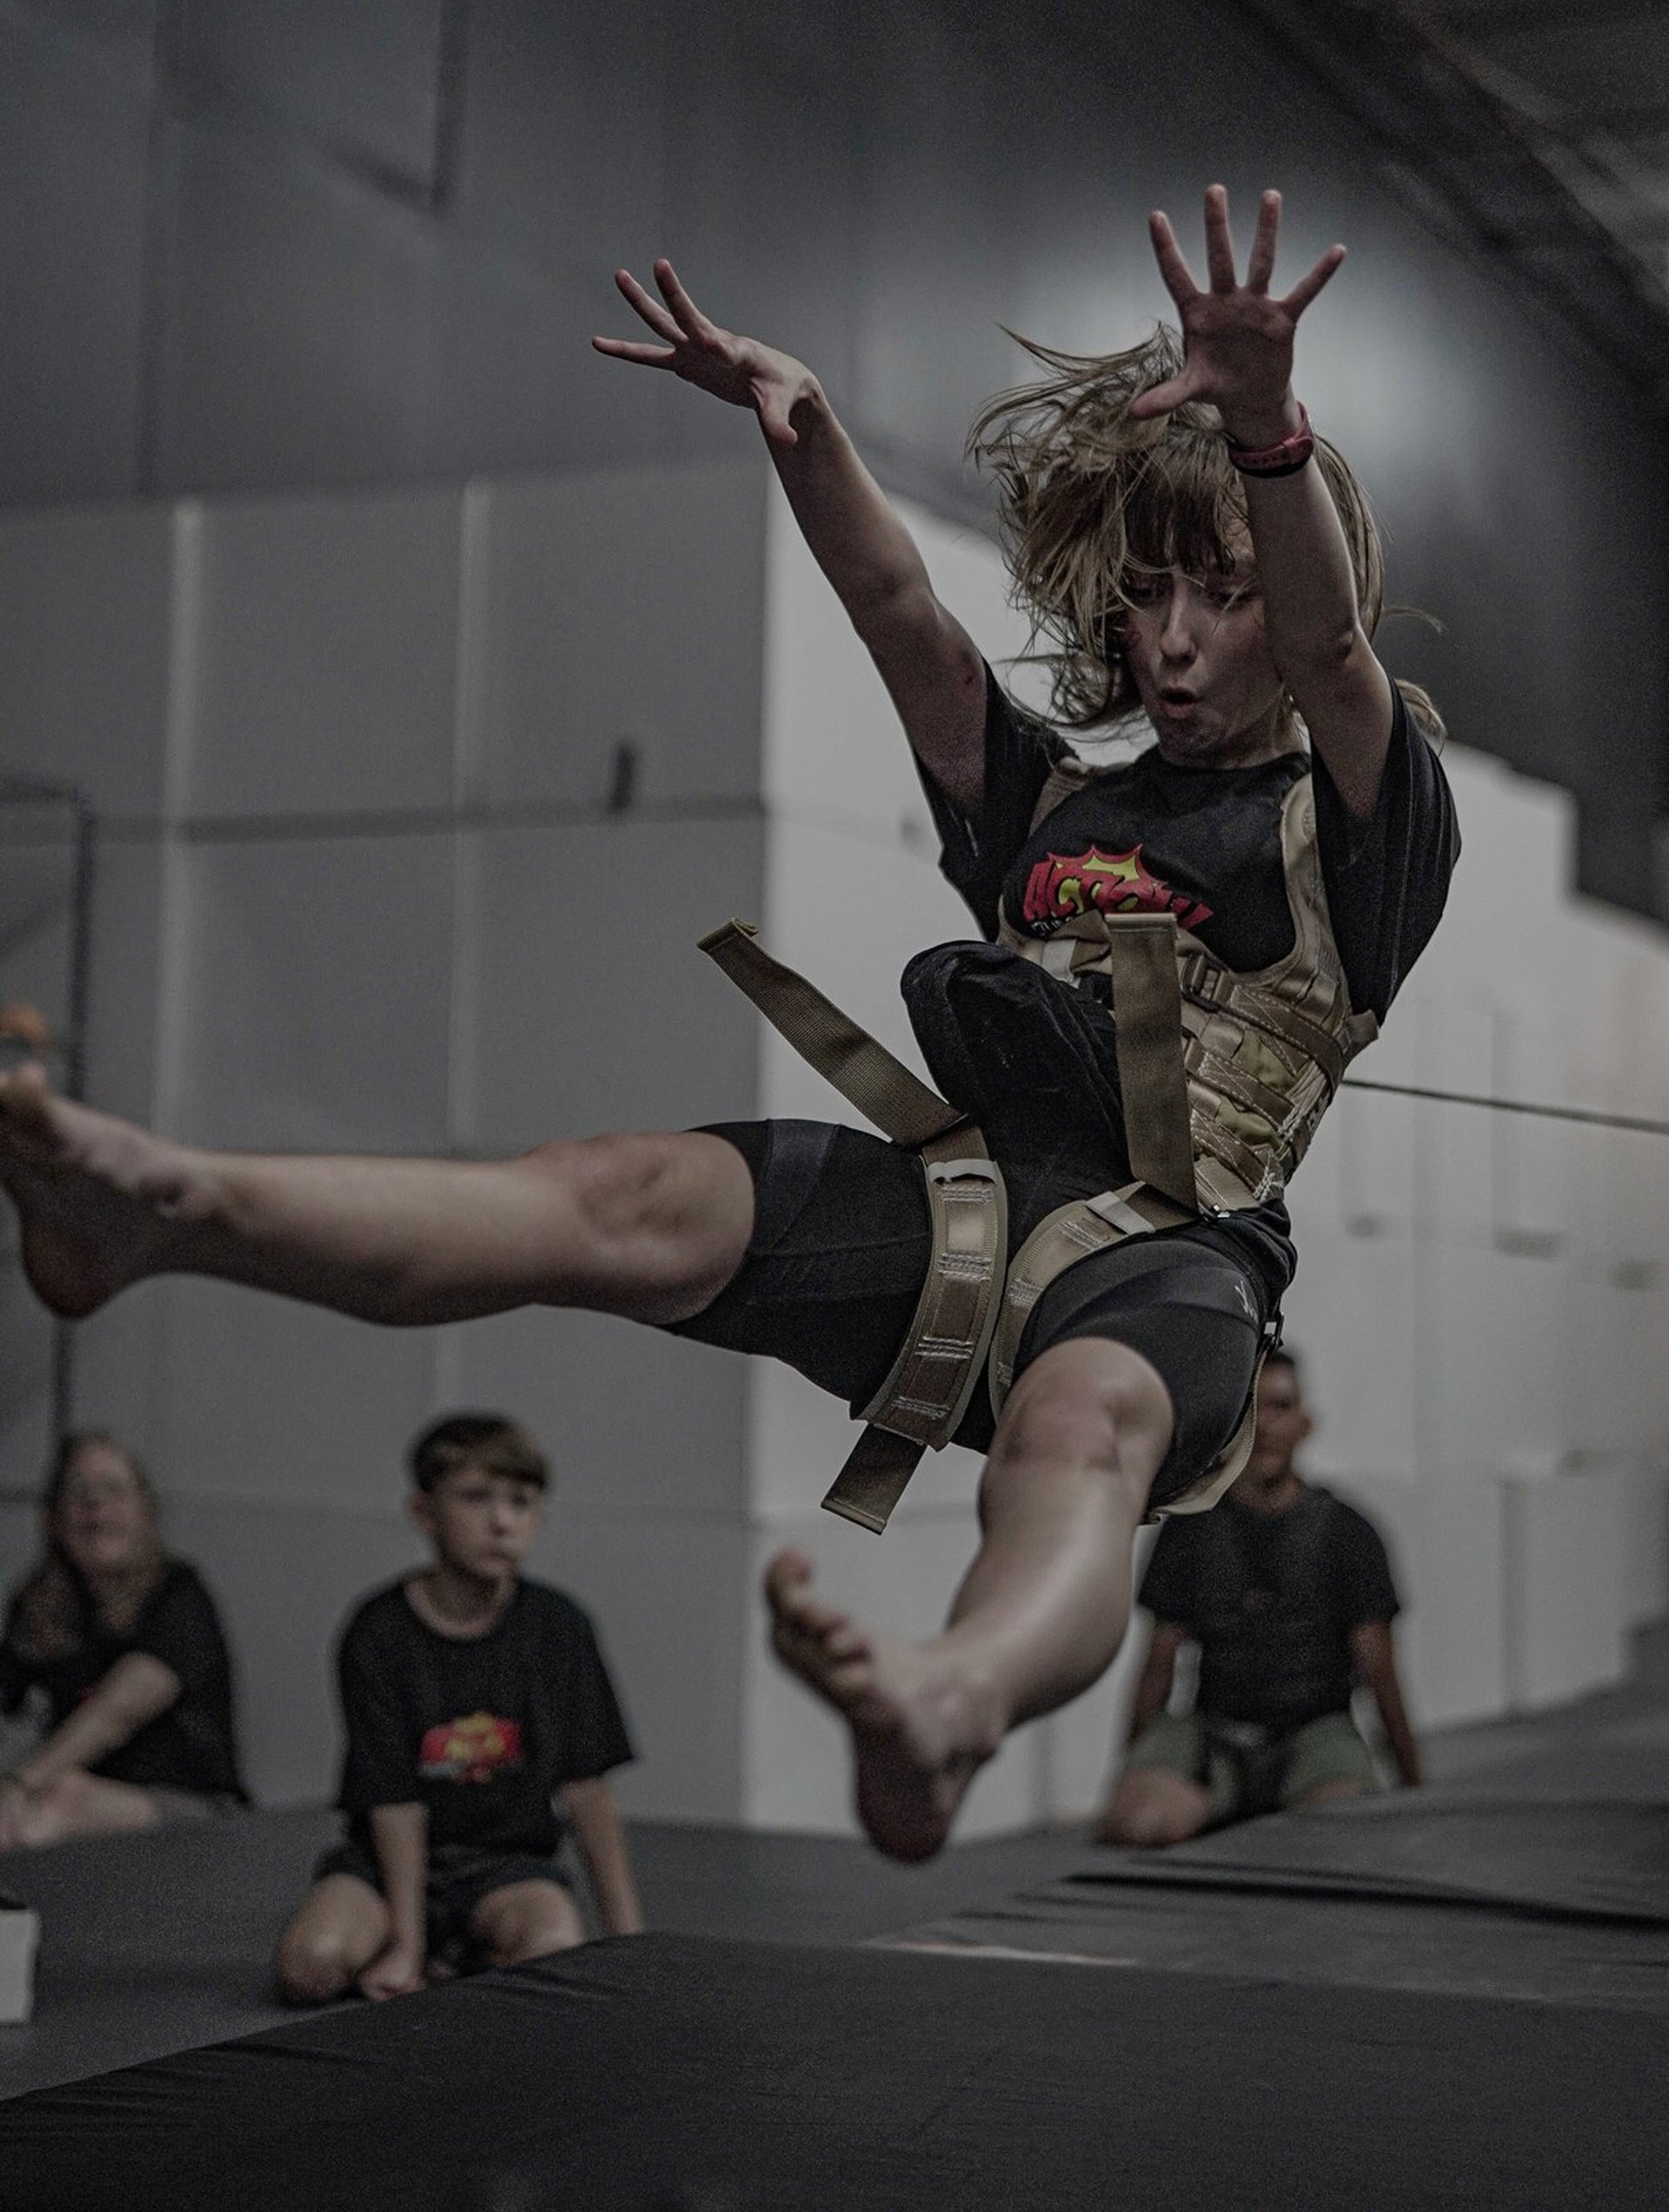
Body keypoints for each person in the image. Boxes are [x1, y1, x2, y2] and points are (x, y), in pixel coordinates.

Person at [0, 187, 1457, 1862]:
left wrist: (1267, 426)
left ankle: (953, 1696)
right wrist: (812, 430)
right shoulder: (1054, 806)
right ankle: (159, 1207)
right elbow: (907, 619)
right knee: (608, 1191)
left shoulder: (1359, 816)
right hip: (965, 1209)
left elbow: (1339, 641)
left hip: (1169, 1258)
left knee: (1076, 1434)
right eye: (1150, 598)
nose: (1181, 636)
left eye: (1224, 594)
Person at [276, 1412, 641, 2002]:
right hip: (384, 1863)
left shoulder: (559, 1628)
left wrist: (630, 1940)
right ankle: (440, 1947)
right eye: (476, 1498)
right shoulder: (379, 1631)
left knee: (552, 1950)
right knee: (310, 1965)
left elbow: (586, 1788)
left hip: (508, 1862)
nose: (501, 1521)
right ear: (425, 1512)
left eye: (521, 1502)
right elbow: (393, 1798)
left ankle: (470, 1944)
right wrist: (406, 1942)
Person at [1096, 1348, 1420, 1843]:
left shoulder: (1348, 1534)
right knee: (1138, 1823)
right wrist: (1132, 1773)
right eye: (1253, 1411)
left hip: (1314, 1735)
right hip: (1216, 1734)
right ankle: (1229, 1806)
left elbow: (1380, 1672)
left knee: (1343, 1834)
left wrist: (1416, 1789)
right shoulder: (1190, 1532)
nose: (1266, 1427)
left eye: (1281, 1407)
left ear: (1305, 1424)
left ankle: (1270, 1811)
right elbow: (1157, 1665)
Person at [0, 1432, 246, 1842]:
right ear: (55, 1518)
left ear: (145, 1513)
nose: (95, 1505)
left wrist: (24, 1782)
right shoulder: (40, 1603)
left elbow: (115, 1713)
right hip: (68, 1793)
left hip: (191, 1808)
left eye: (113, 1490)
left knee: (61, 1800)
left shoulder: (179, 1596)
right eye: (79, 1492)